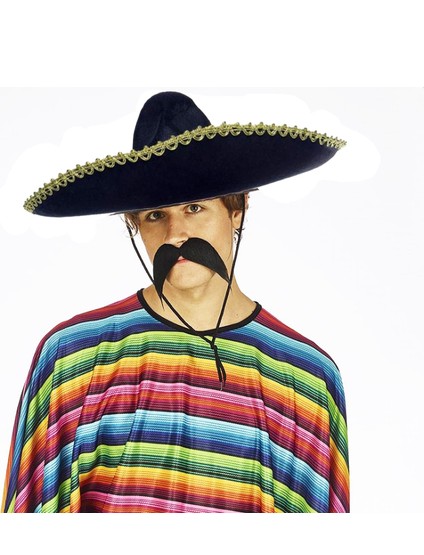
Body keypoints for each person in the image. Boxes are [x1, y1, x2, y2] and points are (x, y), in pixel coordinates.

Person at [2, 91, 349, 513]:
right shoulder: (74, 360)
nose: (175, 234)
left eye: (194, 207)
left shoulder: (305, 379)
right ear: (134, 224)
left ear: (237, 208)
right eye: (155, 215)